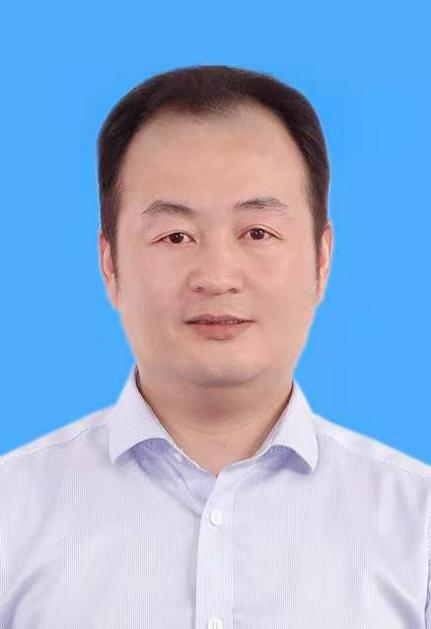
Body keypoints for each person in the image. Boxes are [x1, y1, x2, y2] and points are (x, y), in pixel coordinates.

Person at [0, 64, 430, 628]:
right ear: (110, 264)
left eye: (258, 233)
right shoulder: (12, 514)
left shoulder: (417, 527)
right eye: (175, 236)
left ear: (321, 259)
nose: (217, 276)